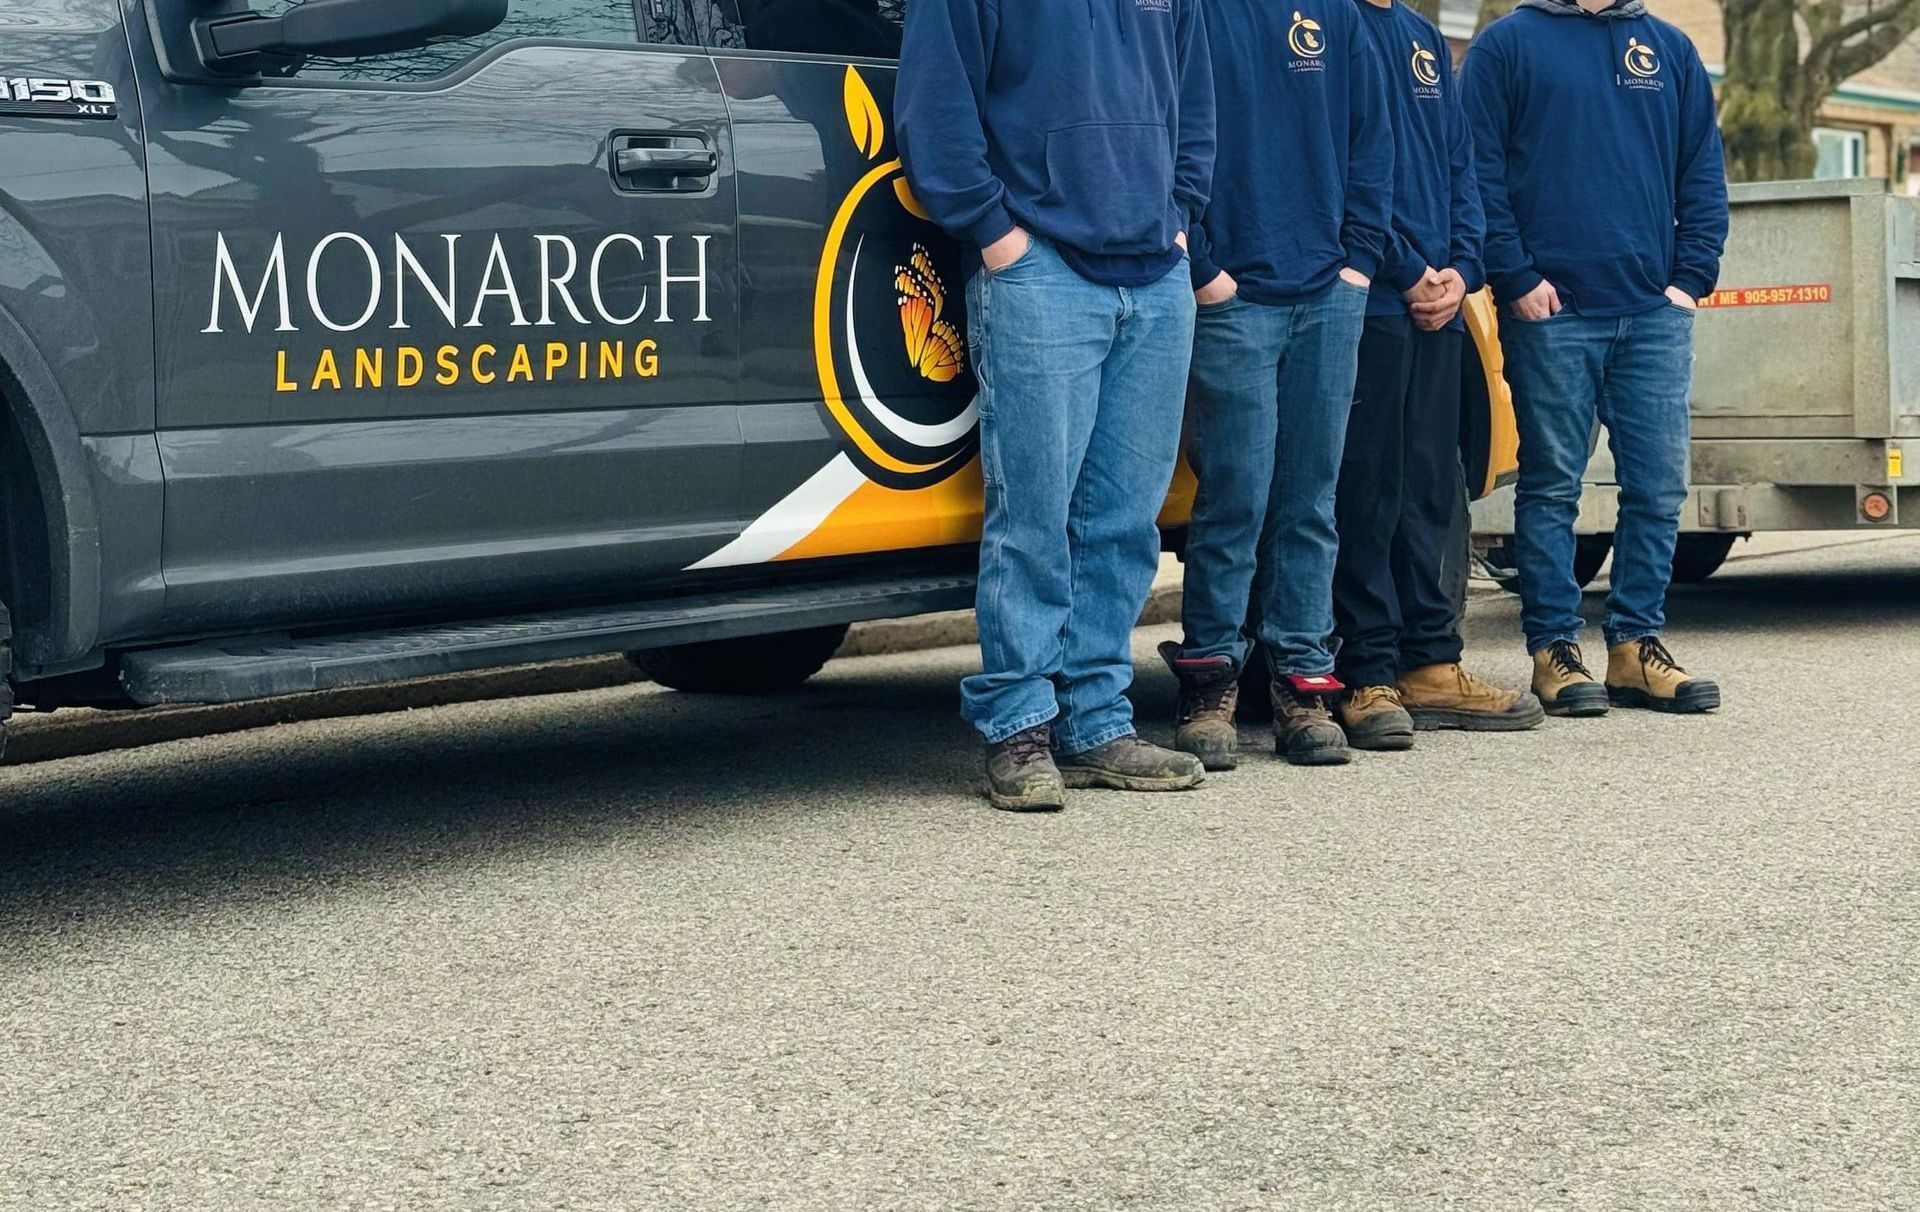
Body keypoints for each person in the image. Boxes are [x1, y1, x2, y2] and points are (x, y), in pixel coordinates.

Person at [897, 0, 1216, 810]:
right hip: (1038, 269)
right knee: (1033, 516)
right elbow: (935, 109)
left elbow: (1196, 104)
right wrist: (996, 235)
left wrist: (1178, 222)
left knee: (1123, 521)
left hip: (1154, 273)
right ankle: (1020, 727)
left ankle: (1096, 723)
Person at [1462, 0, 1728, 716]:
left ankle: (1636, 648)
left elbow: (1702, 169)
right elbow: (1477, 168)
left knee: (1659, 488)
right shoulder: (1506, 46)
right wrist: (1514, 276)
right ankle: (1554, 651)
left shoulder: (1668, 50)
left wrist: (1688, 281)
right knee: (1552, 486)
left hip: (1652, 312)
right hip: (1552, 311)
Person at [1163, 0, 1391, 769]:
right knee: (1233, 494)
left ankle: (1302, 684)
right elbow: (1172, 132)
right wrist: (1205, 271)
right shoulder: (1193, 10)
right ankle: (1211, 683)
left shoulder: (1340, 15)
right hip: (1233, 294)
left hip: (1330, 292)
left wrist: (1358, 262)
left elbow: (1373, 142)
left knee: (1310, 500)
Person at [1330, 0, 1545, 749]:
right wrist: (1407, 269)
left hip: (1441, 305)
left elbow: (1461, 170)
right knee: (1368, 490)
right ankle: (1367, 673)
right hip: (1367, 301)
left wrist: (1461, 268)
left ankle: (1431, 662)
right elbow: (1342, 166)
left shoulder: (1423, 37)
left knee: (1431, 488)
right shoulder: (1327, 21)